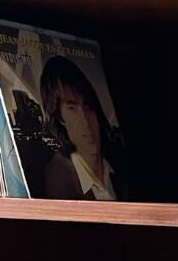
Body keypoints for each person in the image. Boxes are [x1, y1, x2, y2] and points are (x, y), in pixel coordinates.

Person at [38, 55, 126, 200]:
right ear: (60, 118)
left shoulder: (117, 165)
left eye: (87, 106)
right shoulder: (57, 178)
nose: (85, 121)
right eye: (72, 108)